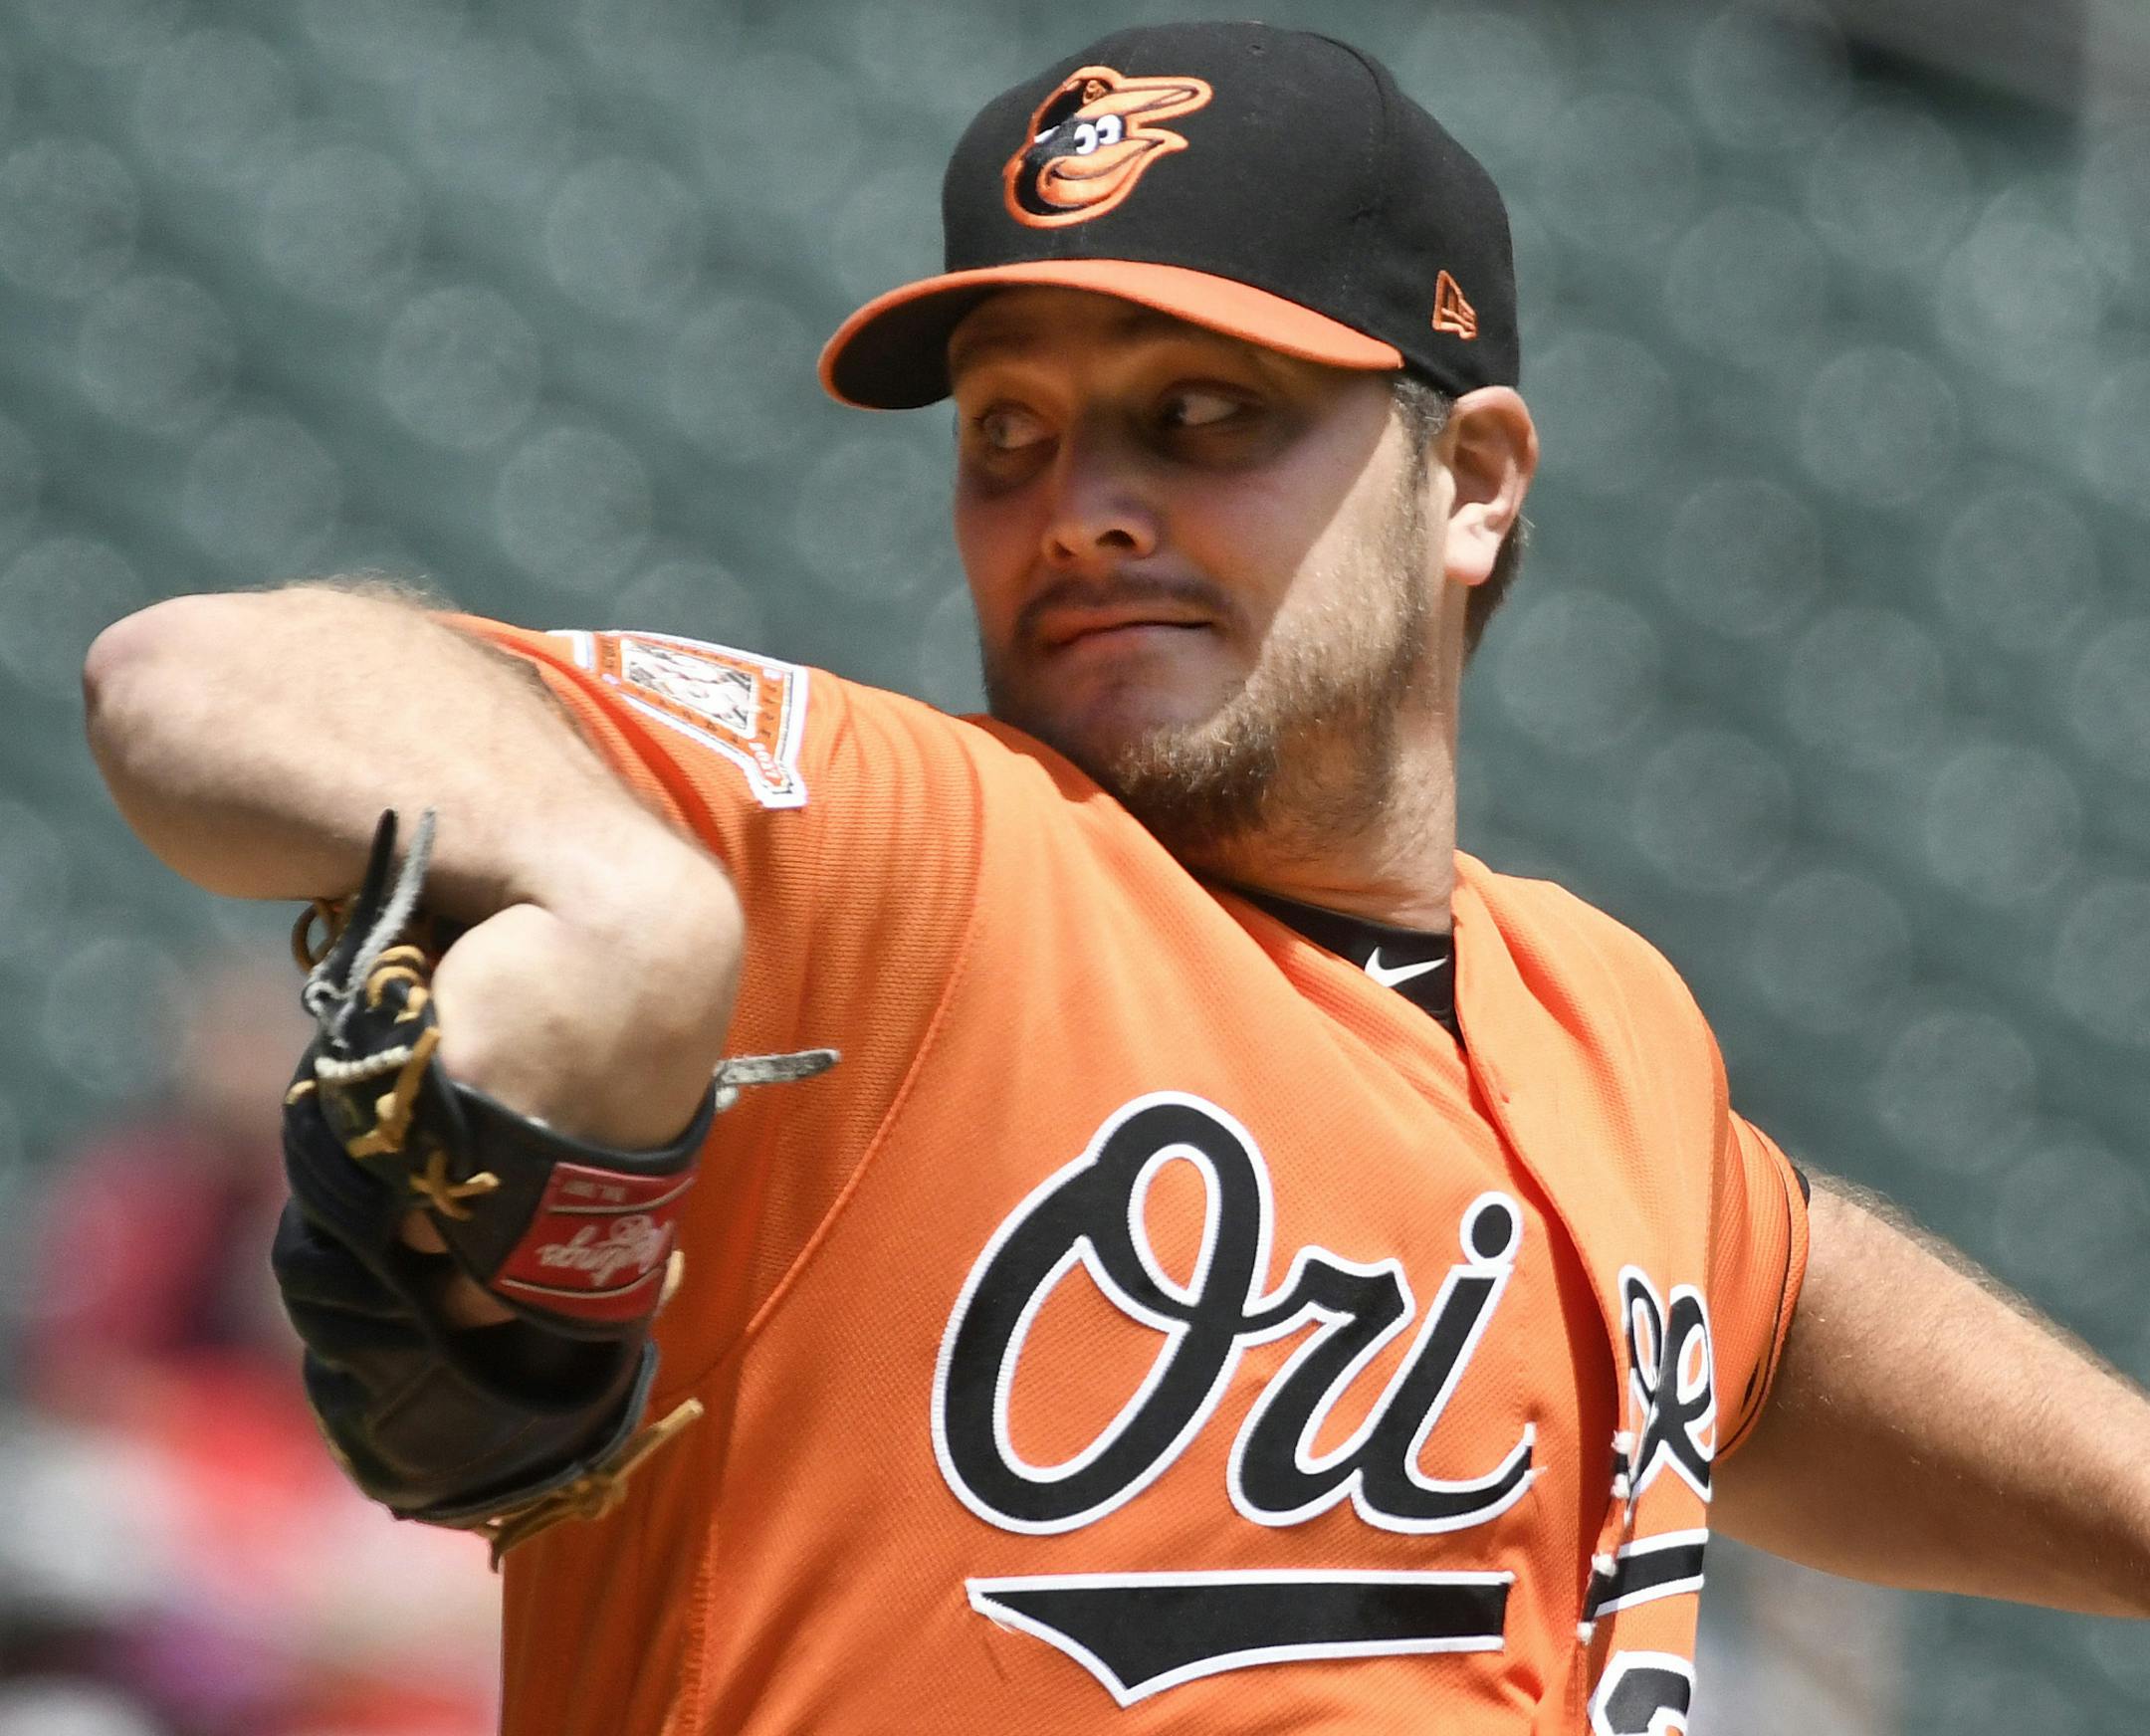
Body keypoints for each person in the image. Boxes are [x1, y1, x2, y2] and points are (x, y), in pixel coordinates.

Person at [81, 21, 2148, 1734]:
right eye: (1009, 435)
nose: (1082, 506)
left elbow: (1758, 1310)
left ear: (1479, 487)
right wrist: (623, 891)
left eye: (1201, 413)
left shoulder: (1609, 1016)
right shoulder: (908, 861)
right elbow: (197, 673)